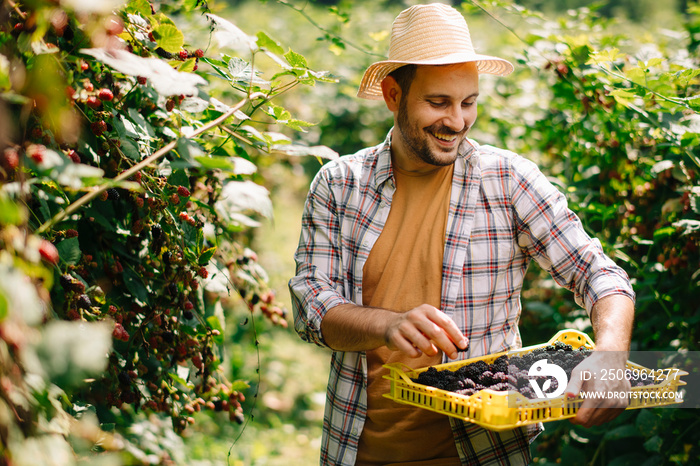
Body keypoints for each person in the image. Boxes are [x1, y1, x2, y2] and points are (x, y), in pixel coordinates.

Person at [289, 3, 635, 465]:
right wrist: (387, 325)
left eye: (468, 102)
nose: (457, 121)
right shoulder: (338, 184)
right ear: (393, 95)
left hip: (485, 451)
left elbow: (598, 273)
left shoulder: (508, 179)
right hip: (359, 449)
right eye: (438, 103)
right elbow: (313, 305)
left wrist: (611, 352)